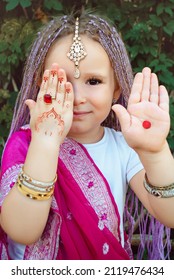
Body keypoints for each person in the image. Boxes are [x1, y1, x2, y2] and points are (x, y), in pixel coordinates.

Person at [0, 11, 174, 260]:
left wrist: (156, 152)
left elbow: (170, 214)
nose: (78, 97)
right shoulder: (26, 145)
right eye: (62, 81)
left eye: (94, 81)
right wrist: (46, 144)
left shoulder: (124, 146)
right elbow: (22, 231)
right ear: (41, 84)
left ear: (116, 88)